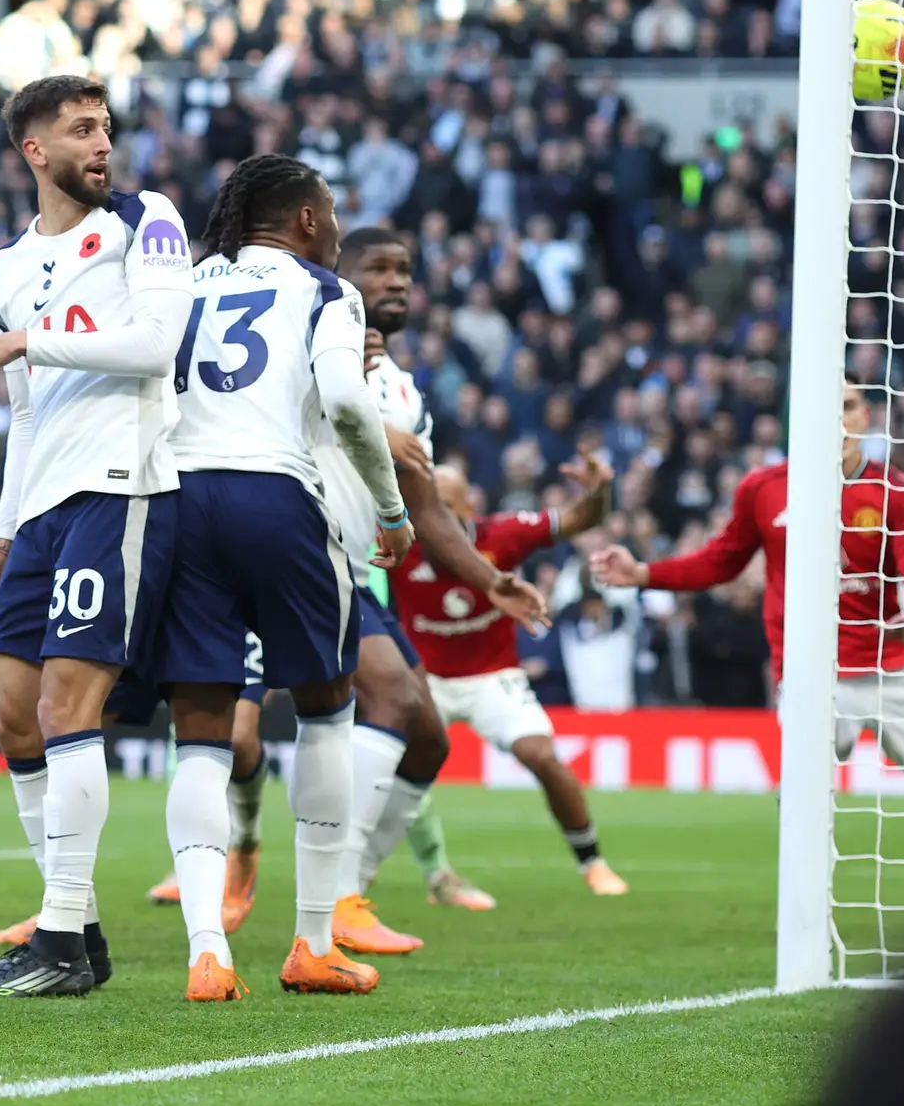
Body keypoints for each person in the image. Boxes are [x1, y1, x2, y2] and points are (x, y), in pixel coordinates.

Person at [137, 154, 415, 1000]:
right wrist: (392, 511)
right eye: (329, 212)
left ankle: (206, 952)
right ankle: (313, 943)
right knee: (330, 709)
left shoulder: (181, 282)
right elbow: (347, 401)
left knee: (202, 732)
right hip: (274, 493)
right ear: (304, 221)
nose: (334, 227)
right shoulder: (326, 291)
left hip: (178, 499)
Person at [0, 74, 194, 998]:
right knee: (13, 716)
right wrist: (4, 537)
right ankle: (76, 936)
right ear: (33, 151)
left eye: (106, 128)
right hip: (46, 505)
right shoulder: (7, 267)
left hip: (122, 487)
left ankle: (56, 942)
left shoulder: (147, 218)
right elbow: (26, 417)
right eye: (81, 130)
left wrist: (27, 341)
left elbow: (158, 343)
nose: (102, 144)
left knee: (65, 711)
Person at [593, 380, 904, 912]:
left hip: (890, 666)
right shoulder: (764, 489)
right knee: (804, 803)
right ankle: (804, 921)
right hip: (811, 672)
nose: (837, 419)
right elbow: (721, 560)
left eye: (848, 407)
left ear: (865, 415)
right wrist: (645, 572)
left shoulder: (894, 491)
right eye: (824, 408)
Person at [304, 227, 548, 953]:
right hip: (279, 549)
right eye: (378, 268)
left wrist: (489, 578)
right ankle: (295, 889)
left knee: (427, 733)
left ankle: (350, 889)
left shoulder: (407, 390)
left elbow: (429, 509)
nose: (397, 282)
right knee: (241, 729)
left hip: (347, 562)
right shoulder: (302, 337)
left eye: (405, 271)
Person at [390, 454, 629, 896]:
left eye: (440, 505)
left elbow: (578, 518)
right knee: (391, 769)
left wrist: (598, 493)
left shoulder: (503, 535)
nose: (426, 513)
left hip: (491, 676)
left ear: (466, 509)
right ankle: (435, 875)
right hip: (427, 680)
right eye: (418, 502)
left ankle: (592, 861)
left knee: (542, 756)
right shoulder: (396, 543)